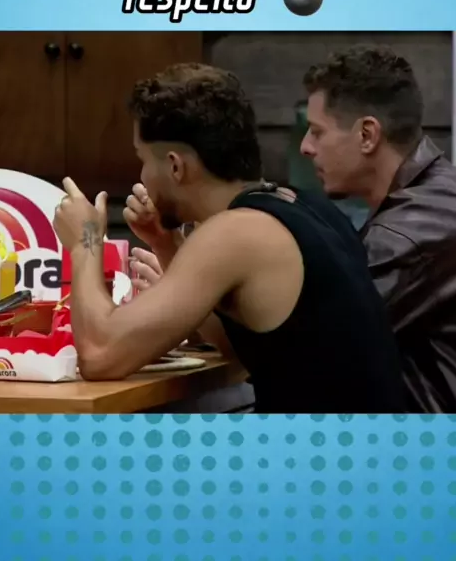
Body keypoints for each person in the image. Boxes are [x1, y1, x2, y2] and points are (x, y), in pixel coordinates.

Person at [53, 62, 406, 413]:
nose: (143, 174)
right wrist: (166, 244)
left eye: (143, 159)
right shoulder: (303, 205)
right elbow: (234, 344)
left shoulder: (237, 232)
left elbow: (100, 355)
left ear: (175, 166)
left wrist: (85, 241)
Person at [301, 44, 456, 412]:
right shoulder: (438, 196)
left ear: (367, 135)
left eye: (317, 132)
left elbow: (309, 349)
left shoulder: (410, 232)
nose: (306, 147)